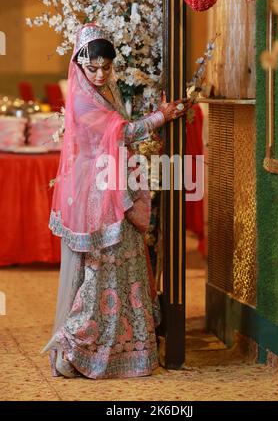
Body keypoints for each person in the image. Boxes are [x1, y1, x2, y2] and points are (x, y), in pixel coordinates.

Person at [42, 23, 189, 379]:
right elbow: (120, 131)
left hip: (113, 182)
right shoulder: (81, 97)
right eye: (91, 66)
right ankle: (75, 347)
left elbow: (116, 131)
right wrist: (160, 117)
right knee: (99, 269)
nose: (99, 72)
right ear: (79, 63)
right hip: (97, 191)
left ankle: (124, 350)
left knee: (127, 262)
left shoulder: (106, 89)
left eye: (105, 66)